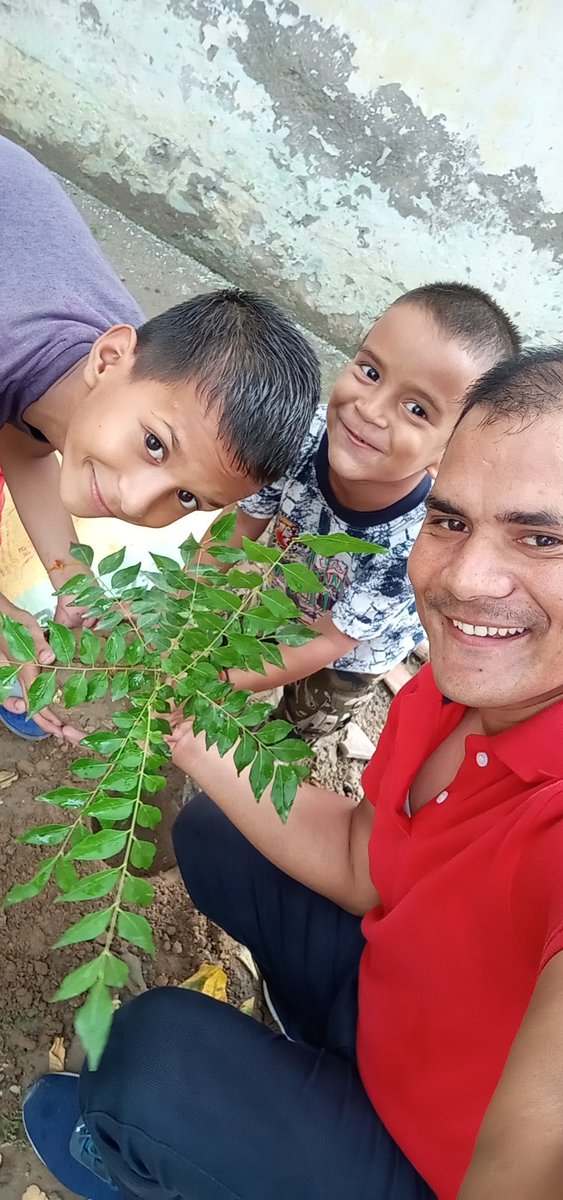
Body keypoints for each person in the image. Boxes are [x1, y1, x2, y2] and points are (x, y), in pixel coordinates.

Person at [23, 347, 563, 1200]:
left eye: (541, 538)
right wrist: (185, 723)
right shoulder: (454, 690)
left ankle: (142, 1152)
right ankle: (299, 1064)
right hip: (402, 1014)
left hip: (436, 1170)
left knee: (153, 1053)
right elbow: (362, 861)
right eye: (451, 521)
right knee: (212, 827)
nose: (463, 580)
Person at [0, 136, 320, 741]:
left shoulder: (124, 373)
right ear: (111, 354)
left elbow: (29, 431)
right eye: (155, 446)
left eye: (188, 499)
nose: (135, 501)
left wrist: (72, 576)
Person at [201, 283, 520, 737]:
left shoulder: (417, 541)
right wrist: (188, 604)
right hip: (289, 600)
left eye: (416, 409)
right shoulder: (305, 436)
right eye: (370, 371)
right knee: (259, 644)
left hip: (351, 653)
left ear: (449, 452)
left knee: (306, 715)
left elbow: (331, 639)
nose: (370, 410)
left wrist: (216, 684)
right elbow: (240, 522)